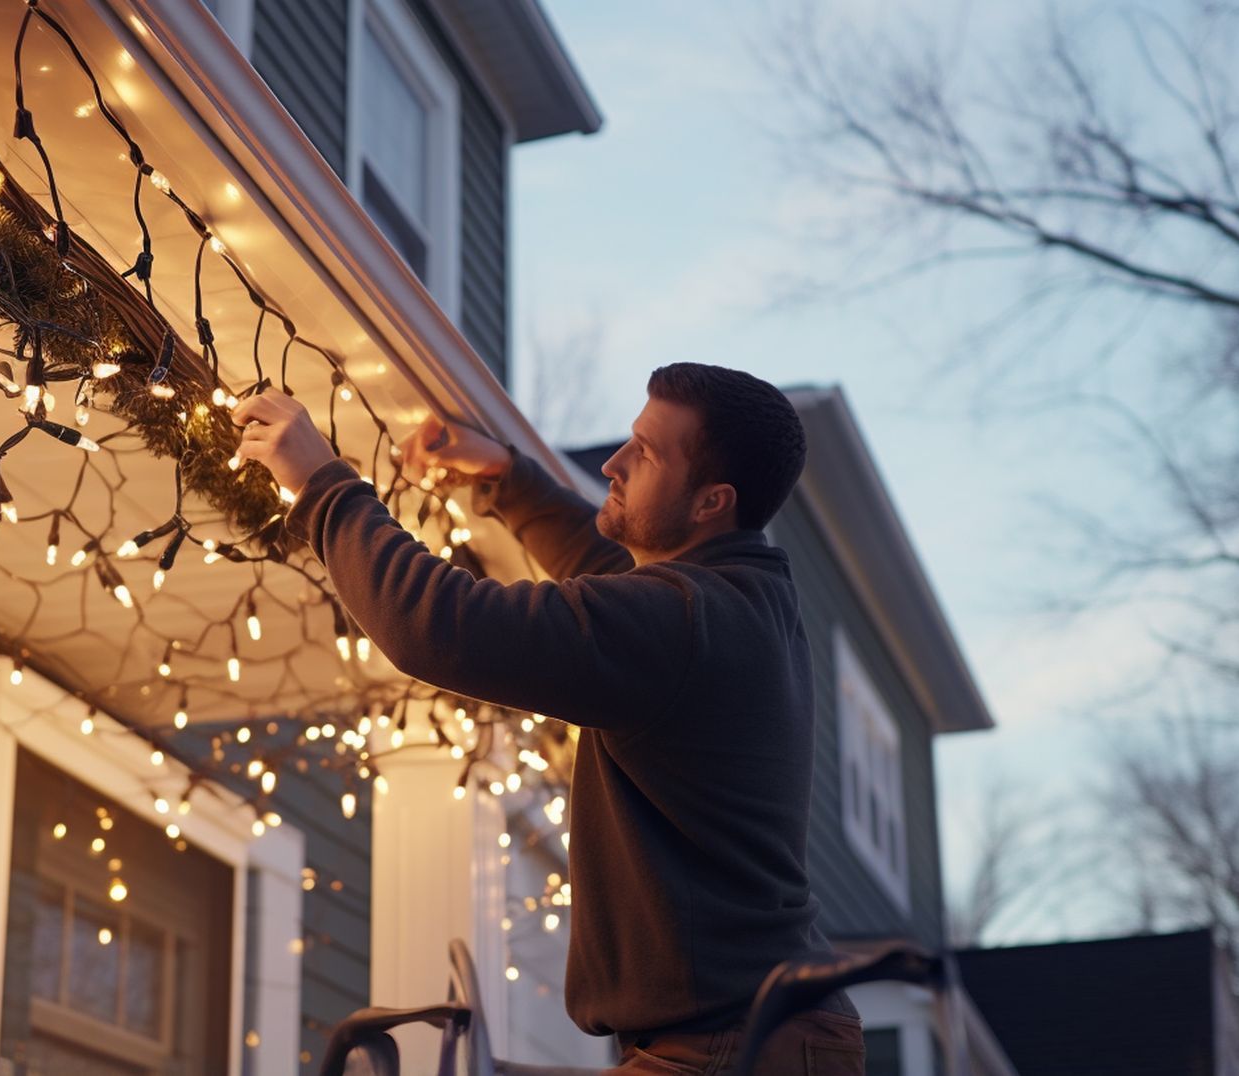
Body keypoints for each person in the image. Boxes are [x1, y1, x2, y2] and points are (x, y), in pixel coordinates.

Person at [234, 363, 865, 1075]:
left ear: (711, 502)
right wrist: (507, 479)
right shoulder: (734, 601)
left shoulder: (685, 620)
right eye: (629, 439)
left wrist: (323, 486)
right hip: (753, 1033)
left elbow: (442, 625)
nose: (614, 463)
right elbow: (606, 573)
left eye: (648, 454)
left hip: (734, 1045)